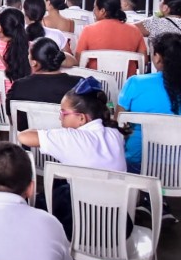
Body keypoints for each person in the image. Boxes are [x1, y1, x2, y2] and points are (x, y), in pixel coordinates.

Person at [19, 77, 129, 237]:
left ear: (81, 118)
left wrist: (51, 132)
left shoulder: (72, 138)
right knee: (60, 185)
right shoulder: (115, 133)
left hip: (84, 225)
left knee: (37, 201)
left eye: (63, 113)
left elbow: (24, 137)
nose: (59, 118)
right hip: (117, 223)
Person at [118, 33, 181, 173]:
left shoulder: (135, 83)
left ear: (158, 57)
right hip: (178, 167)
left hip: (137, 162)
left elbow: (119, 124)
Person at [6, 38, 83, 117]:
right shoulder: (79, 84)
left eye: (29, 54)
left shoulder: (19, 86)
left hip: (27, 129)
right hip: (67, 129)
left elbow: (11, 115)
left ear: (33, 62)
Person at [76, 0, 147, 74]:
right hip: (127, 84)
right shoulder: (135, 30)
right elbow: (144, 60)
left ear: (102, 11)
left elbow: (79, 60)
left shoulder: (88, 30)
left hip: (95, 82)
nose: (93, 11)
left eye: (95, 8)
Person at [23, 0, 76, 65]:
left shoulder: (17, 33)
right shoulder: (57, 34)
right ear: (43, 12)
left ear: (25, 13)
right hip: (53, 74)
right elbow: (72, 61)